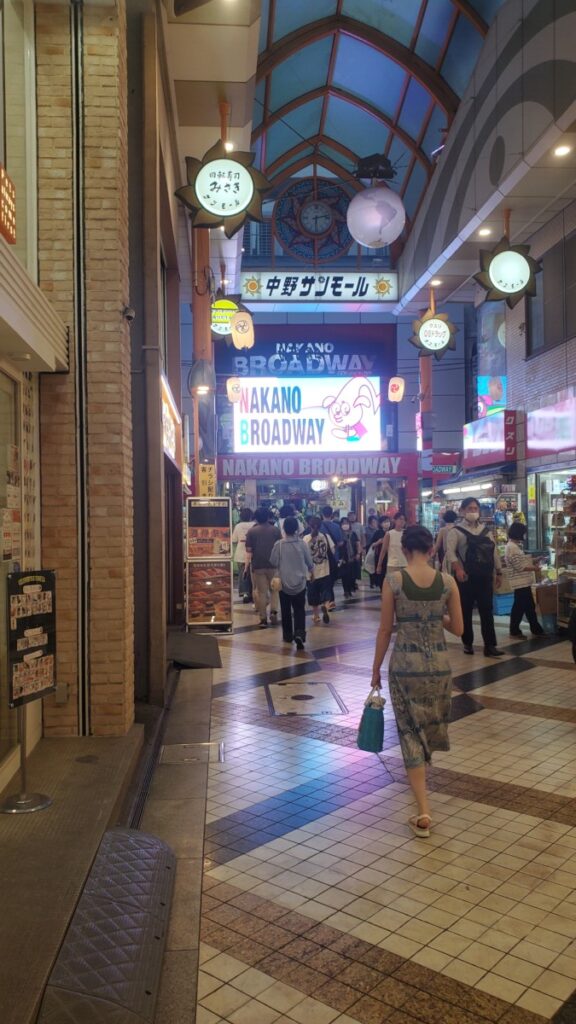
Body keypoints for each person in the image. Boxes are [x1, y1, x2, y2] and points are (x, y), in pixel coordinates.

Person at [371, 525, 464, 838]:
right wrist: (436, 615)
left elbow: (385, 630)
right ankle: (422, 781)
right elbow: (460, 629)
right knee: (427, 727)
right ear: (430, 549)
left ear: (405, 550)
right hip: (439, 667)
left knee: (409, 732)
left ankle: (423, 810)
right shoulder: (447, 582)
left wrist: (374, 671)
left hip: (405, 668)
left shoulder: (394, 581)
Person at [445, 496, 504, 657]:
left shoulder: (486, 531)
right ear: (462, 511)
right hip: (465, 577)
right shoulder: (455, 532)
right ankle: (467, 643)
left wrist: (498, 572)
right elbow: (450, 553)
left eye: (475, 509)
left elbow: (494, 552)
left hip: (485, 576)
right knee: (465, 611)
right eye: (470, 509)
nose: (473, 512)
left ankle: (490, 646)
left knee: (487, 610)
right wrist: (458, 569)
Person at [270, 517, 313, 650]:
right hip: (300, 583)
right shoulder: (302, 544)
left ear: (283, 529)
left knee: (286, 610)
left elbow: (273, 561)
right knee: (300, 609)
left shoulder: (279, 544)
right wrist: (312, 572)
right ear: (296, 529)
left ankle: (288, 635)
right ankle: (300, 633)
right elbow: (309, 563)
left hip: (284, 583)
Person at [505, 522, 545, 638]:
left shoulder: (514, 546)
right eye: (523, 533)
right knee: (522, 607)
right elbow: (520, 567)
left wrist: (535, 559)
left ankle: (535, 629)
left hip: (522, 582)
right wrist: (535, 568)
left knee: (527, 606)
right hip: (520, 582)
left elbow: (521, 562)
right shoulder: (512, 547)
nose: (525, 535)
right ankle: (517, 630)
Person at [245, 507, 281, 628]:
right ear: (268, 517)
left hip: (258, 565)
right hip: (273, 565)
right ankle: (274, 611)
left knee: (261, 592)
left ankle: (263, 619)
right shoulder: (275, 530)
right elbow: (279, 548)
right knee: (274, 590)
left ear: (256, 518)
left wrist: (246, 567)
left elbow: (249, 551)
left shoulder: (251, 532)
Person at [304, 516, 334, 623]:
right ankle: (326, 605)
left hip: (310, 573)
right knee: (325, 591)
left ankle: (316, 616)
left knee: (313, 594)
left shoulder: (305, 539)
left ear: (309, 525)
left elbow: (303, 555)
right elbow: (333, 551)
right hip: (325, 570)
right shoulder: (325, 536)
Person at [319, 506, 343, 609]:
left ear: (322, 514)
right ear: (331, 514)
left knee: (323, 578)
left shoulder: (319, 526)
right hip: (334, 556)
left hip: (321, 557)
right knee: (331, 579)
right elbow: (341, 542)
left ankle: (326, 599)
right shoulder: (336, 527)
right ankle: (330, 599)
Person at [231, 507, 255, 603]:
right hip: (253, 552)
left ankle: (245, 594)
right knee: (253, 574)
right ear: (251, 516)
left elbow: (234, 540)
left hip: (241, 551)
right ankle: (253, 593)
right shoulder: (254, 525)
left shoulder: (238, 526)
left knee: (243, 574)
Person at [376, 511, 407, 581]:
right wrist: (379, 565)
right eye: (400, 519)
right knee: (392, 586)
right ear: (394, 520)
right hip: (393, 565)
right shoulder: (389, 534)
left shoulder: (406, 533)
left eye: (404, 519)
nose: (402, 521)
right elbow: (383, 550)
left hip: (405, 564)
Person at [339, 517, 362, 598]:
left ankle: (351, 588)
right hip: (343, 558)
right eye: (343, 523)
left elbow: (358, 543)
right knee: (345, 575)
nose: (345, 525)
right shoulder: (339, 534)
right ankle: (346, 591)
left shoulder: (353, 533)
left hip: (353, 557)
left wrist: (358, 553)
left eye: (346, 523)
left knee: (352, 575)